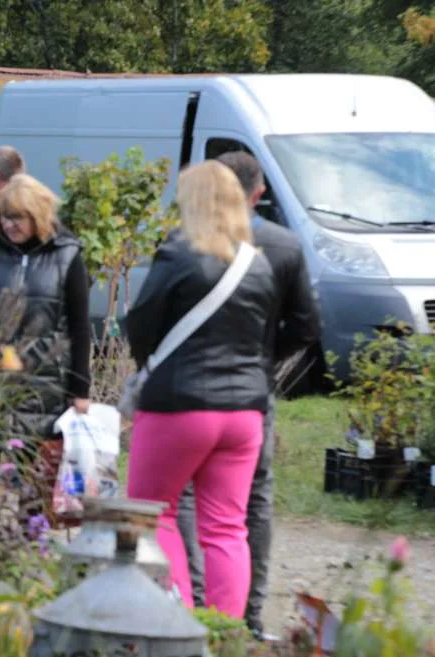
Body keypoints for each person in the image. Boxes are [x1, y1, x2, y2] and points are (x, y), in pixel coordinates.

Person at [124, 160, 277, 618]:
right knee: (227, 528)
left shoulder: (178, 252)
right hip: (245, 413)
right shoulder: (258, 263)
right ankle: (224, 633)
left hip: (180, 406)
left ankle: (172, 625)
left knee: (156, 515)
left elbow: (142, 325)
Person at [177, 151, 321, 635]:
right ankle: (247, 617)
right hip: (252, 391)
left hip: (190, 388)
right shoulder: (283, 245)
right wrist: (264, 355)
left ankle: (193, 605)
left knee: (189, 495)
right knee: (252, 499)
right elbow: (306, 326)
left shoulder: (187, 241)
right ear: (259, 192)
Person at [0, 174, 91, 437]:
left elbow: (80, 326)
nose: (8, 224)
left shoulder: (67, 255)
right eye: (3, 216)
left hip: (46, 386)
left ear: (37, 214)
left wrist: (80, 390)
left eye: (17, 217)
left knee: (35, 469)